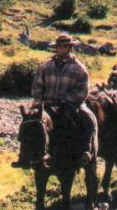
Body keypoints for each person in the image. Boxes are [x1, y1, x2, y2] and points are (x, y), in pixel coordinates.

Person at [26, 34, 97, 166]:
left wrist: (65, 100)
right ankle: (25, 155)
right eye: (59, 46)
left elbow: (83, 90)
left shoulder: (79, 68)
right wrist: (40, 99)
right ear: (56, 48)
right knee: (28, 122)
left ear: (70, 48)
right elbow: (37, 86)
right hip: (47, 103)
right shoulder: (46, 66)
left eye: (65, 46)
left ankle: (86, 150)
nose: (62, 49)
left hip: (71, 104)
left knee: (88, 119)